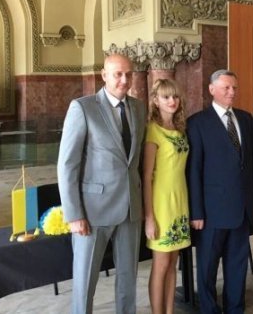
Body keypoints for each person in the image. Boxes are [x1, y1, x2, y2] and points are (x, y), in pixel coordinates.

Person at [57, 54, 146, 314]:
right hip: (93, 211)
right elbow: (67, 165)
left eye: (128, 74)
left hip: (130, 209)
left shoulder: (139, 108)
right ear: (104, 75)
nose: (124, 80)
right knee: (85, 281)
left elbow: (135, 160)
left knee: (128, 279)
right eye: (118, 74)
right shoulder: (83, 108)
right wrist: (74, 214)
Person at [186, 69, 253, 314]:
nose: (231, 92)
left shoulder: (246, 119)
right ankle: (209, 310)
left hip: (242, 209)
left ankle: (235, 309)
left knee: (237, 267)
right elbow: (194, 170)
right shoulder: (197, 123)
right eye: (226, 88)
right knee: (207, 269)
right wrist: (196, 212)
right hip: (211, 213)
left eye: (234, 88)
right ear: (212, 89)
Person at [143, 79, 191, 314]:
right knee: (161, 264)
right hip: (161, 205)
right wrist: (149, 217)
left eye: (175, 96)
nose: (172, 101)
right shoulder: (153, 130)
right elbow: (146, 177)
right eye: (166, 97)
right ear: (155, 100)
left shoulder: (180, 130)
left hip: (180, 202)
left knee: (173, 263)